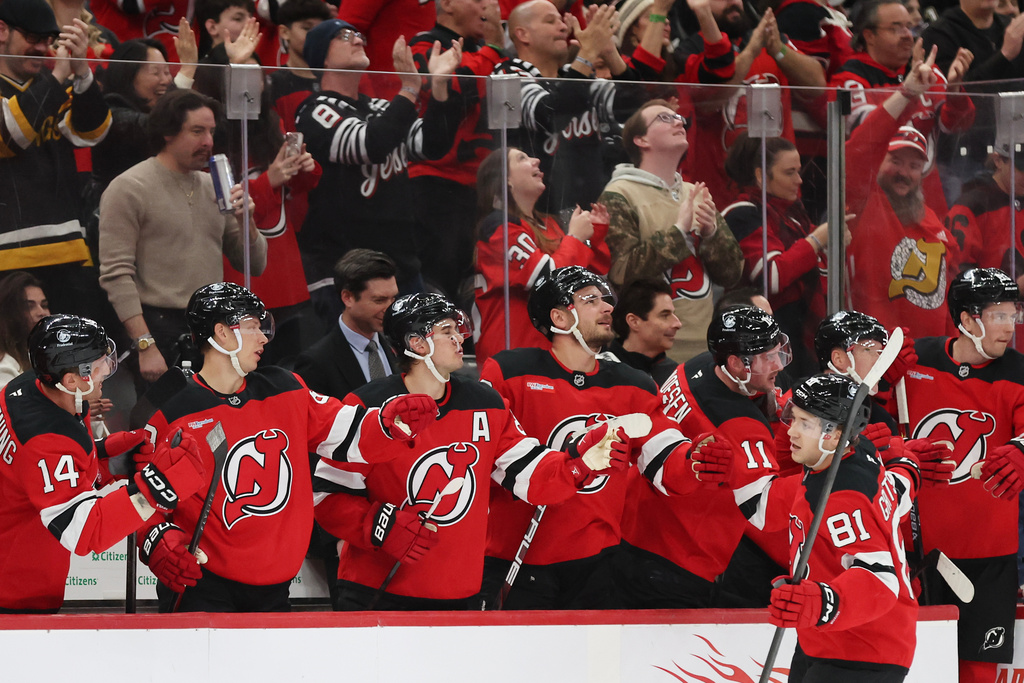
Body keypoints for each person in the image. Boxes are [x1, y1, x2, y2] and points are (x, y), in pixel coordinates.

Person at [311, 291, 631, 610]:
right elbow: (325, 494)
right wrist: (378, 524)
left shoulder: (486, 403)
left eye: (458, 329)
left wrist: (578, 464)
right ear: (417, 344)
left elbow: (530, 472)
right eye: (447, 331)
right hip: (377, 594)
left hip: (460, 594)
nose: (459, 339)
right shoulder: (370, 405)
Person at [137, 282, 435, 612]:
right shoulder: (174, 408)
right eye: (252, 326)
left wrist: (387, 423)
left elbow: (345, 431)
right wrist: (155, 539)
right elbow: (140, 495)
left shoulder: (284, 388)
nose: (264, 337)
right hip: (201, 587)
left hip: (275, 590)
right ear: (222, 333)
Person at [479, 266, 705, 609]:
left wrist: (694, 462)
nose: (607, 307)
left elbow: (665, 459)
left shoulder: (634, 384)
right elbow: (493, 460)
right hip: (516, 562)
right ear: (558, 316)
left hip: (596, 566)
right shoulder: (509, 373)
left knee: (593, 664)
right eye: (590, 299)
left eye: (606, 298)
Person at [0, 314, 207, 612]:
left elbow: (29, 477)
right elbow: (83, 531)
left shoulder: (29, 388)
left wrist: (103, 459)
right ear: (71, 379)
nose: (107, 370)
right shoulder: (47, 440)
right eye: (99, 366)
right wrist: (154, 490)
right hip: (13, 597)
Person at [610, 305, 793, 608]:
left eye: (778, 352)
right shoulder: (742, 427)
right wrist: (822, 475)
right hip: (678, 565)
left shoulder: (697, 365)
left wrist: (779, 405)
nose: (779, 365)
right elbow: (764, 510)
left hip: (630, 530)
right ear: (737, 363)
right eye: (769, 357)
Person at [898, 267, 1024, 683]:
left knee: (977, 674)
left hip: (990, 560)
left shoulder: (1018, 373)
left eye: (1013, 315)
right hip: (914, 554)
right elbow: (858, 423)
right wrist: (876, 377)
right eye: (998, 316)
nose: (1010, 327)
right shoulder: (917, 361)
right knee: (913, 670)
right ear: (968, 320)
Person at [295, 19, 464, 323]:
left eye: (358, 34)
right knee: (359, 359)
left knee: (411, 356)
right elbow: (369, 144)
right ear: (323, 55)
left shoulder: (379, 107)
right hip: (348, 267)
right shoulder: (315, 109)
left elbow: (431, 145)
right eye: (345, 36)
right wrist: (410, 88)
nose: (358, 40)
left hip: (401, 263)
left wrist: (438, 87)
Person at [98, 89, 268, 384]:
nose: (208, 142)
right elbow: (116, 275)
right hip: (159, 327)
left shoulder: (214, 185)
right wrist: (145, 344)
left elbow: (253, 264)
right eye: (197, 131)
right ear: (167, 132)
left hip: (215, 325)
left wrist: (247, 222)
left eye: (212, 132)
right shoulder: (128, 187)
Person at [770, 373, 918, 682]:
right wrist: (908, 465)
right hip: (826, 641)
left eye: (805, 424)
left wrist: (822, 603)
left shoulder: (844, 496)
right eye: (793, 419)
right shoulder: (859, 450)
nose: (791, 432)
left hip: (860, 653)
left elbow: (879, 579)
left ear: (836, 435)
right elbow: (898, 493)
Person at [601, 99, 744, 363]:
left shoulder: (695, 193)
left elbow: (732, 274)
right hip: (647, 355)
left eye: (678, 117)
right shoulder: (619, 194)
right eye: (664, 118)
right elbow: (621, 273)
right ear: (641, 139)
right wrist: (678, 233)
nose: (679, 121)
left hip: (704, 348)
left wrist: (712, 234)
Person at [0, 0, 111, 320]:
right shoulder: (51, 83)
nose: (41, 48)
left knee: (72, 359)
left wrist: (82, 74)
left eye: (48, 40)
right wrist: (59, 73)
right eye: (32, 38)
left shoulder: (49, 86)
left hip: (68, 248)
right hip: (8, 255)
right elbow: (9, 135)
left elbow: (92, 133)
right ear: (2, 31)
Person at [845, 53, 961, 339]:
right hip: (871, 355)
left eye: (913, 166)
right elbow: (859, 149)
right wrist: (907, 93)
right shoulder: (862, 205)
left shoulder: (933, 223)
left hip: (928, 360)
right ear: (878, 161)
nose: (904, 173)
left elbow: (948, 297)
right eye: (894, 161)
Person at [722, 133, 849, 376]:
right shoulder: (742, 214)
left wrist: (833, 244)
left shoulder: (793, 216)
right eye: (789, 172)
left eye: (798, 171)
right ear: (761, 176)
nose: (799, 180)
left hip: (804, 336)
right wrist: (816, 241)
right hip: (765, 340)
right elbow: (771, 277)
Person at [473, 147, 610, 365]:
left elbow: (591, 282)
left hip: (554, 351)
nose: (536, 160)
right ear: (505, 181)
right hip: (511, 356)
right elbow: (547, 278)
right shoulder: (498, 227)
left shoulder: (550, 225)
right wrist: (575, 237)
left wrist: (593, 236)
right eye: (522, 159)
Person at [408, 0, 506, 303]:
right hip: (438, 185)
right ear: (447, 4)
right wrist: (494, 50)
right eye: (478, 0)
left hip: (485, 186)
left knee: (476, 288)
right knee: (440, 285)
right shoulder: (425, 44)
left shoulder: (488, 51)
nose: (489, 7)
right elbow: (452, 89)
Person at [496, 1, 633, 216]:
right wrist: (587, 51)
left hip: (593, 210)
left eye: (562, 21)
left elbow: (631, 109)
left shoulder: (576, 74)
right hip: (538, 215)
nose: (563, 27)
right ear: (523, 35)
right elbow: (551, 114)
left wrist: (609, 52)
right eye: (551, 21)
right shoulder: (506, 75)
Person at [294, 249, 400, 400]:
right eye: (379, 300)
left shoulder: (400, 346)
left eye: (393, 299)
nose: (391, 309)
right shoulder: (316, 363)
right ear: (348, 297)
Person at [600, 277, 680, 387]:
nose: (677, 324)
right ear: (634, 322)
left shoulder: (675, 375)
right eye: (665, 315)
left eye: (673, 314)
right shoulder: (601, 371)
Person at [269, 0, 330, 133]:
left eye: (320, 30)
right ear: (284, 32)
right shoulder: (273, 84)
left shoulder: (334, 79)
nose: (315, 36)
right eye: (307, 28)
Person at [0, 272, 50, 387]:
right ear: (8, 313)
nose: (42, 312)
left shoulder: (39, 355)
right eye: (29, 306)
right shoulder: (4, 366)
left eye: (44, 305)